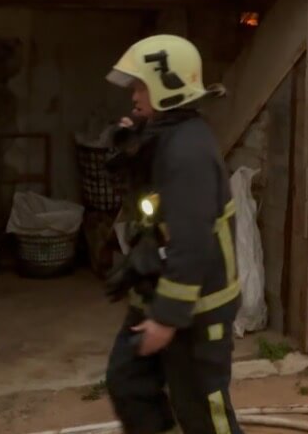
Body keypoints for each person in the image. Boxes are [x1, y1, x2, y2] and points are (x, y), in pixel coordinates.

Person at [102, 34, 243, 434]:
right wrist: (130, 149)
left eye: (140, 84)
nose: (132, 94)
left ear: (168, 86)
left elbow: (192, 243)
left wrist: (167, 319)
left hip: (197, 310)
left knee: (201, 410)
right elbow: (152, 208)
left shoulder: (189, 152)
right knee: (128, 383)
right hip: (159, 294)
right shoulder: (165, 137)